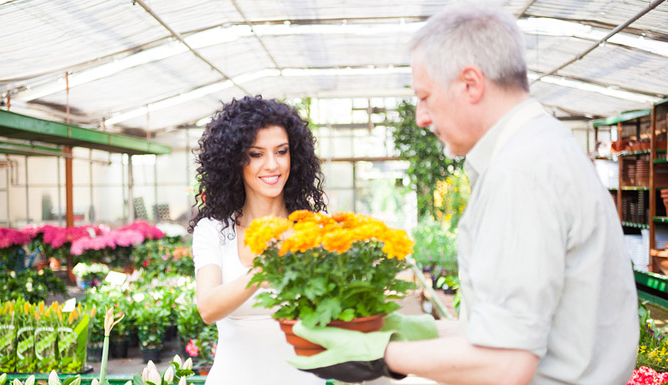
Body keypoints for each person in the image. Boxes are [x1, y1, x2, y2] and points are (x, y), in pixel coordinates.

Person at [289, 4, 639, 384]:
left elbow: (505, 364)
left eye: (424, 96)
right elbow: (512, 333)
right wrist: (404, 330)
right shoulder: (543, 150)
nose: (421, 117)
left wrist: (381, 356)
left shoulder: (522, 171)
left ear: (470, 84)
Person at [188, 95, 328, 385]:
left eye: (281, 151)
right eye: (256, 154)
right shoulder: (213, 229)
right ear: (234, 160)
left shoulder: (311, 228)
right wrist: (263, 273)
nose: (272, 165)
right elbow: (208, 307)